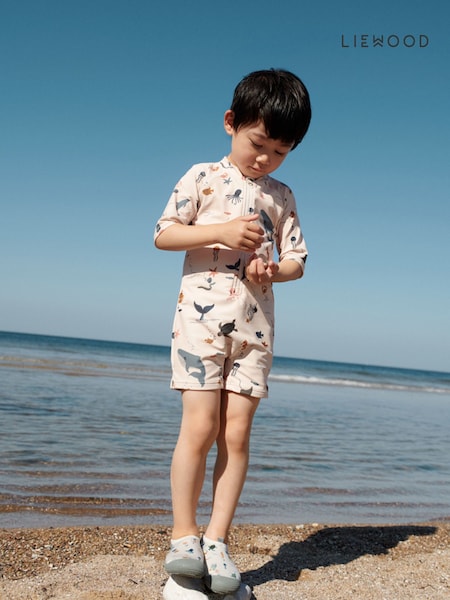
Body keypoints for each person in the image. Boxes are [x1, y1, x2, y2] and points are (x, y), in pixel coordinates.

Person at [154, 68, 311, 595]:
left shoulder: (281, 195)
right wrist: (219, 231)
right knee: (199, 427)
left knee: (236, 434)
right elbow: (164, 234)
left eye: (280, 151)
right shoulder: (202, 176)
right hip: (200, 323)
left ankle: (217, 540)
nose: (265, 158)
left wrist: (274, 271)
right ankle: (184, 536)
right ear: (231, 123)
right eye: (258, 143)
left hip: (254, 330)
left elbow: (298, 261)